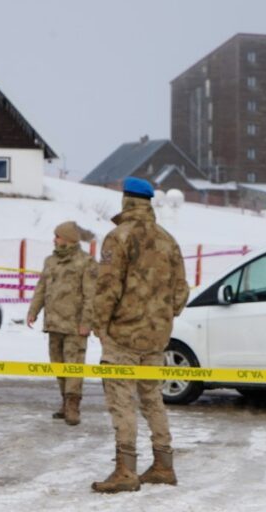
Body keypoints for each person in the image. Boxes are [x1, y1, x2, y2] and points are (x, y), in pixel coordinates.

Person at [91, 177, 190, 493]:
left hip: (122, 336)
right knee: (152, 399)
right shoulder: (168, 240)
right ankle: (163, 464)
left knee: (121, 402)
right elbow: (181, 291)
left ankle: (126, 471)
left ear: (125, 201)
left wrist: (100, 325)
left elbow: (107, 288)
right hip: (156, 337)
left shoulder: (117, 238)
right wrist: (162, 318)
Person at [26, 221, 97, 426]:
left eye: (57, 236)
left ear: (68, 239)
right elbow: (41, 288)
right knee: (58, 366)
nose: (54, 240)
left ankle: (73, 405)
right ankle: (65, 403)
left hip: (75, 326)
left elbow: (91, 296)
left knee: (73, 367)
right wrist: (33, 311)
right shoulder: (51, 261)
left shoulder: (86, 262)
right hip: (54, 323)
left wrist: (87, 322)